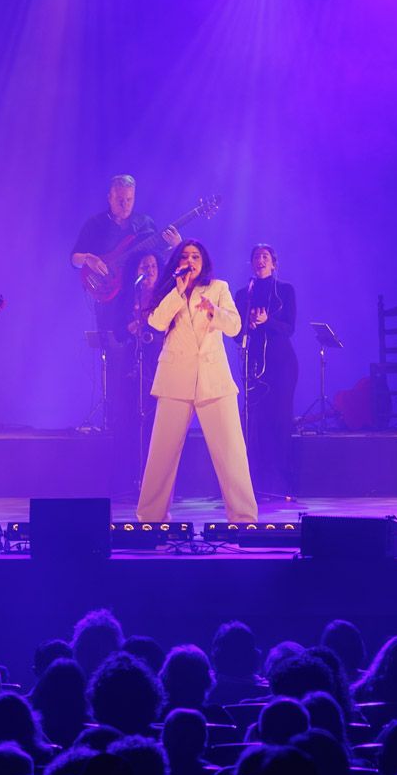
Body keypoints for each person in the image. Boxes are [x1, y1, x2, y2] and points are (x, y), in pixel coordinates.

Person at [71, 175, 180, 493]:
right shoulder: (95, 225)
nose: (124, 204)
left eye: (129, 200)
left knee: (150, 391)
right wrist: (89, 259)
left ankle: (154, 475)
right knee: (121, 386)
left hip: (143, 305)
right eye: (119, 199)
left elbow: (158, 261)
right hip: (113, 305)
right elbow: (73, 258)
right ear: (109, 197)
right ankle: (120, 468)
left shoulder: (145, 224)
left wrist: (176, 244)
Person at [136, 240, 257, 522]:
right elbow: (155, 322)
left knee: (232, 454)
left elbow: (235, 326)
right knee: (162, 455)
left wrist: (214, 310)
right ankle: (150, 518)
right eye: (185, 256)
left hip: (213, 379)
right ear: (177, 263)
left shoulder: (218, 288)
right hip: (175, 378)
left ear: (203, 262)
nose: (190, 261)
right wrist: (178, 292)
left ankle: (243, 518)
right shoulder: (168, 289)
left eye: (196, 256)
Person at [238, 244, 299, 498]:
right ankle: (254, 482)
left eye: (265, 257)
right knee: (255, 422)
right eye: (256, 257)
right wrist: (248, 325)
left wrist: (267, 322)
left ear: (273, 263)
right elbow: (235, 333)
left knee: (279, 421)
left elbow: (289, 328)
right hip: (253, 365)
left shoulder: (284, 290)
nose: (260, 260)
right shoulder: (244, 293)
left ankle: (282, 483)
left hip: (281, 364)